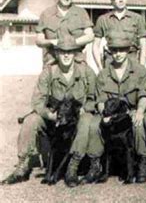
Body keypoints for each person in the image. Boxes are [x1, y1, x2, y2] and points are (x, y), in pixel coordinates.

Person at [1, 36, 96, 186]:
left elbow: (94, 97)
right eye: (62, 52)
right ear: (57, 53)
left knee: (86, 121)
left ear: (75, 54)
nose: (66, 55)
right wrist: (49, 115)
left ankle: (73, 166)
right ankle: (22, 166)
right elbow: (38, 101)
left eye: (70, 52)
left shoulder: (86, 72)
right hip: (53, 117)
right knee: (31, 120)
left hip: (76, 119)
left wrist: (84, 109)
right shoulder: (48, 73)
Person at [85, 31, 146, 184]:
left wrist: (140, 111)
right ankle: (95, 164)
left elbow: (143, 95)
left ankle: (142, 162)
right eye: (114, 50)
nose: (118, 54)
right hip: (111, 114)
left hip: (132, 111)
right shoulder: (103, 74)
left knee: (139, 124)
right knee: (95, 125)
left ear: (128, 51)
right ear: (110, 52)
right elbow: (101, 100)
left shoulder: (140, 70)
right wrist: (105, 115)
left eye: (122, 50)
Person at [35, 0, 94, 67]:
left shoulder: (81, 13)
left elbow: (90, 36)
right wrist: (52, 42)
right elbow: (39, 40)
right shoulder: (46, 14)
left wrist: (73, 42)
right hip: (52, 62)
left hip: (77, 62)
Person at [93, 0, 146, 70]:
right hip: (110, 60)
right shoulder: (103, 19)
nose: (121, 0)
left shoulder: (137, 18)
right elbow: (95, 45)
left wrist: (141, 67)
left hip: (131, 59)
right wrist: (99, 67)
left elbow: (143, 45)